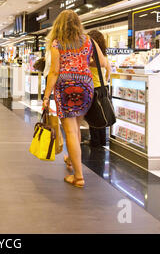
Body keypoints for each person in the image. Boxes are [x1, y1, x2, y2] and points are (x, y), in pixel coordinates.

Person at [43, 10, 108, 188]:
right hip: (86, 85)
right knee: (76, 128)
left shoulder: (57, 44)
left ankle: (78, 177)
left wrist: (46, 95)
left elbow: (54, 72)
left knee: (70, 131)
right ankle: (72, 161)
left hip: (66, 86)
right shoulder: (89, 40)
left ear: (59, 25)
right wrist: (84, 63)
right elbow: (101, 62)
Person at [87, 30, 111, 148]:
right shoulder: (105, 57)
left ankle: (95, 141)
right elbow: (108, 72)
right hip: (103, 86)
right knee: (103, 112)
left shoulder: (91, 59)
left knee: (94, 115)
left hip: (93, 87)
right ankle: (103, 140)